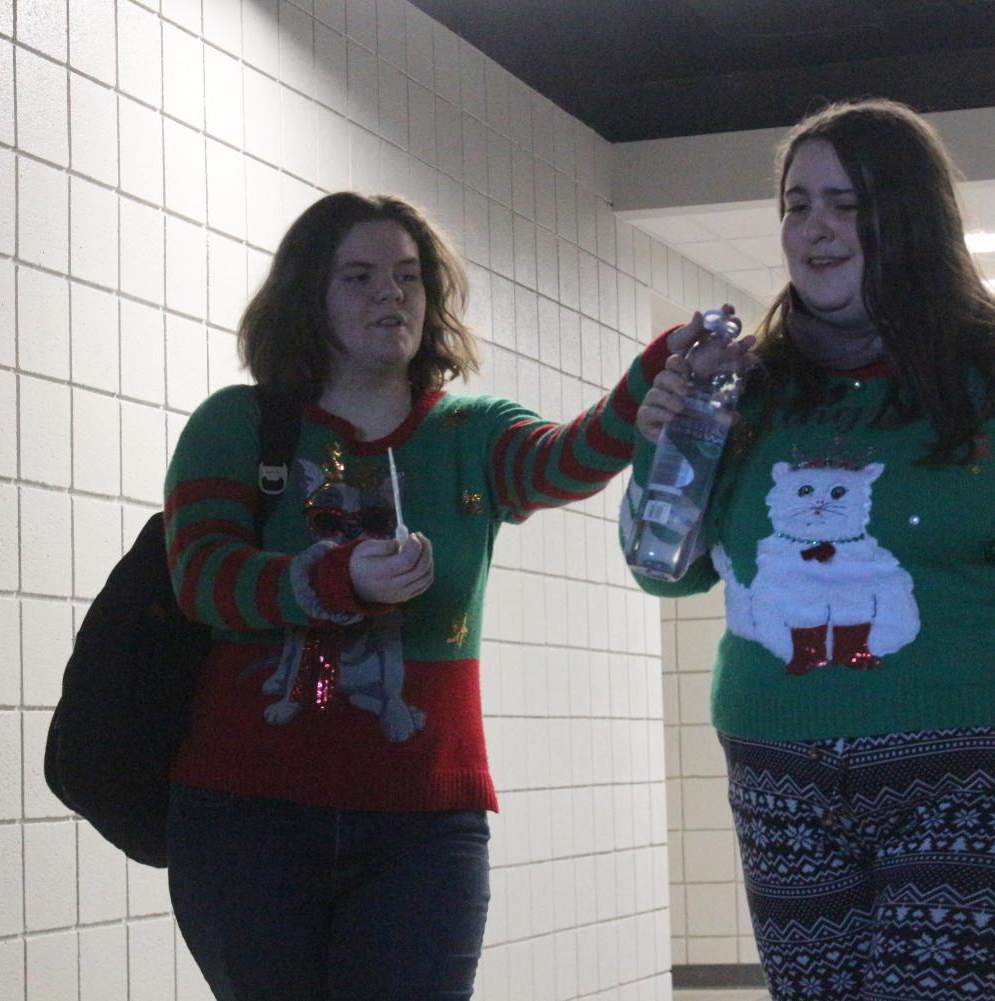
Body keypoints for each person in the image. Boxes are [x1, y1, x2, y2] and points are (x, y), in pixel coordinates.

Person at [622, 99, 995, 1001]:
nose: (817, 228)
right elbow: (663, 568)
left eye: (849, 202)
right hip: (783, 784)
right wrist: (667, 442)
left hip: (991, 780)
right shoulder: (747, 386)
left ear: (914, 215)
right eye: (797, 205)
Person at [161, 192, 746, 1000]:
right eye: (358, 277)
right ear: (308, 297)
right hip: (246, 817)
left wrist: (656, 374)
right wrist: (337, 579)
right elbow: (201, 577)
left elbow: (567, 456)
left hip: (423, 822)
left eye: (407, 276)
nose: (389, 295)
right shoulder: (235, 424)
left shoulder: (470, 431)